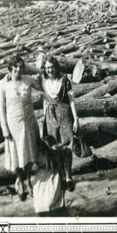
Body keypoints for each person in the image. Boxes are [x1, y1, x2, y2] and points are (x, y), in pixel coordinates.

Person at [0, 55, 40, 200]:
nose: (18, 70)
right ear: (10, 68)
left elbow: (41, 84)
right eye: (15, 67)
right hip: (13, 122)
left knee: (29, 150)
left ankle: (28, 180)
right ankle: (19, 180)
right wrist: (4, 128)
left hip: (29, 120)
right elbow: (1, 108)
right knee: (16, 151)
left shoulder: (27, 80)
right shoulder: (3, 84)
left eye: (21, 67)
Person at [41, 56, 79, 192]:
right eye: (47, 68)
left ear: (56, 67)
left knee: (67, 146)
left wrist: (76, 119)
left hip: (65, 114)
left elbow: (71, 100)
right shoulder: (44, 81)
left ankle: (69, 176)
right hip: (51, 116)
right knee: (55, 147)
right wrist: (43, 117)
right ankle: (62, 176)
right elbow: (45, 100)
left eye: (52, 67)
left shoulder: (64, 80)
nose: (50, 70)